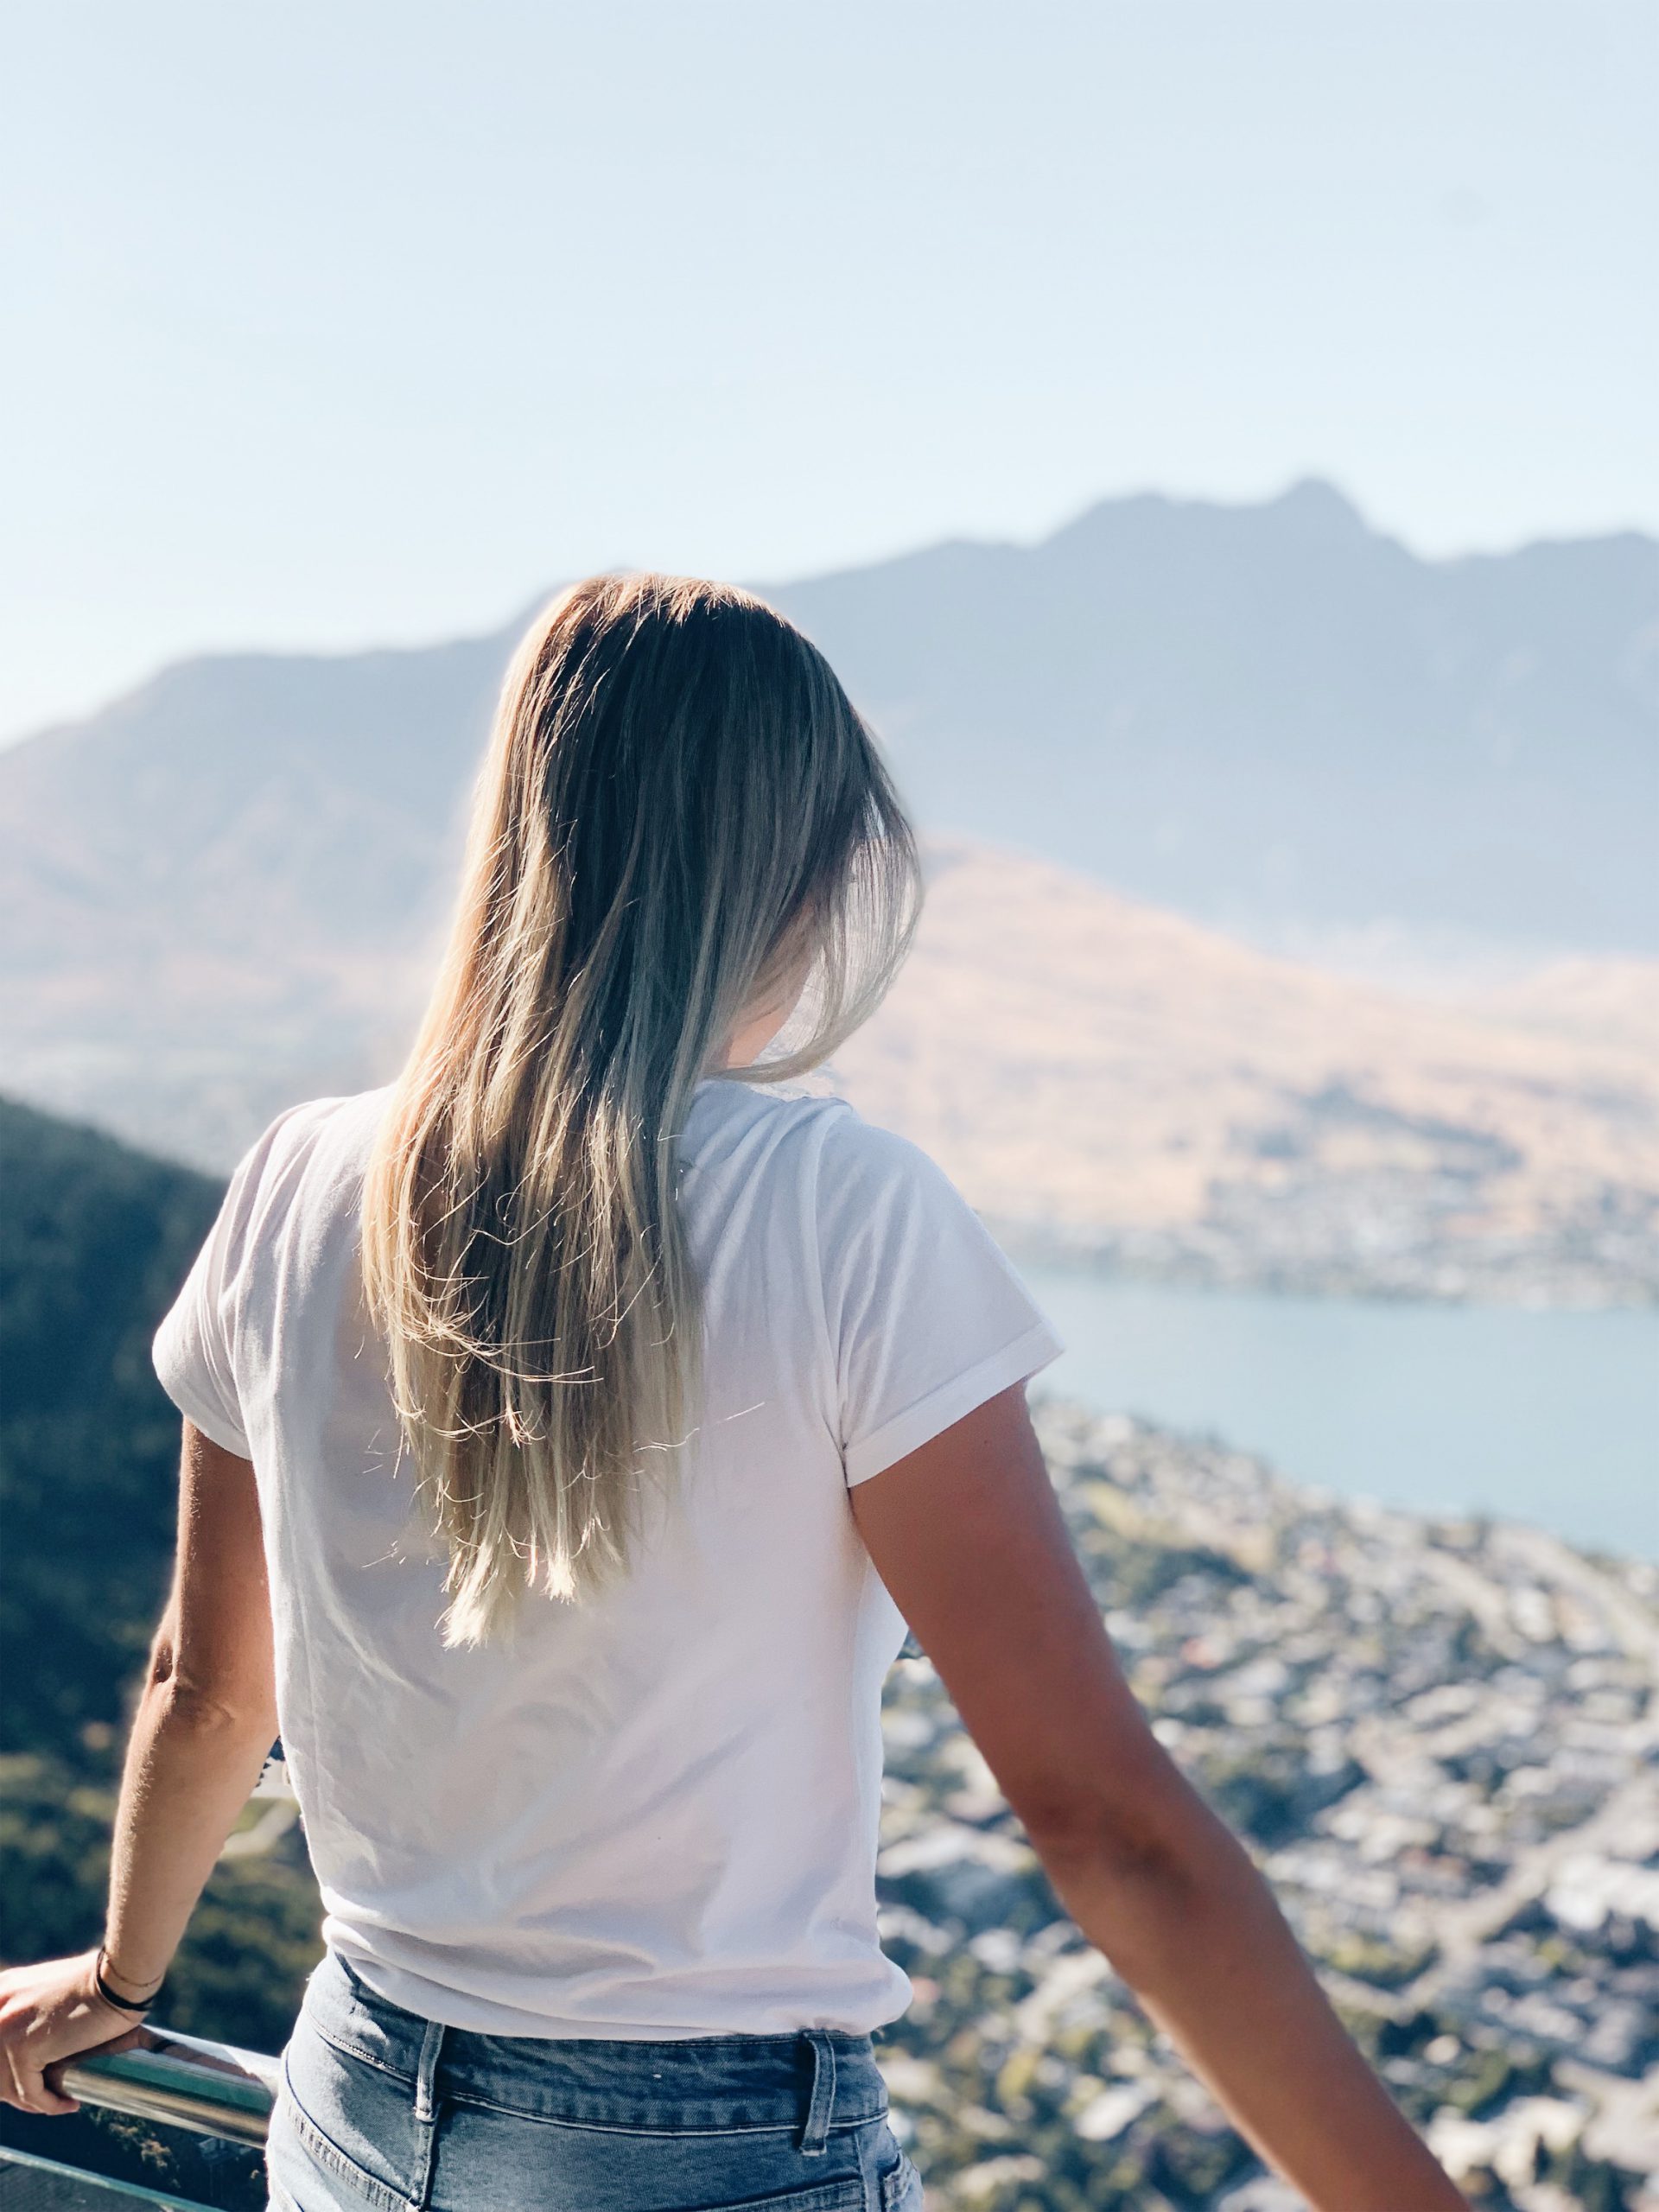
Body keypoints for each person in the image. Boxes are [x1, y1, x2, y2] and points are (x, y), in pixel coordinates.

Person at [0, 575, 1468, 2211]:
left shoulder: (295, 1176)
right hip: (709, 2149)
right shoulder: (845, 1211)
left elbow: (210, 1686)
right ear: (789, 880)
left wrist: (122, 1983)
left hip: (357, 2093)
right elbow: (1100, 1822)